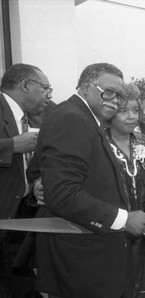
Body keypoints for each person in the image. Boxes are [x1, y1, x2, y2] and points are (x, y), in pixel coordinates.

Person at [36, 63, 145, 297]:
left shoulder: (87, 120)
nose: (115, 100)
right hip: (81, 260)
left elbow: (41, 173)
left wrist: (37, 187)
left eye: (119, 95)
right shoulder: (71, 118)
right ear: (85, 87)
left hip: (93, 255)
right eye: (108, 92)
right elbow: (63, 193)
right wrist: (123, 219)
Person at [0, 63, 52, 297]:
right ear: (26, 85)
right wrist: (11, 145)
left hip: (17, 219)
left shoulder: (31, 119)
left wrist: (34, 187)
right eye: (45, 88)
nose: (48, 96)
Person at [105, 84, 145, 297]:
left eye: (135, 110)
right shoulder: (100, 142)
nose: (131, 117)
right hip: (113, 231)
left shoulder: (143, 142)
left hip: (141, 232)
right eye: (123, 110)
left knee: (138, 286)